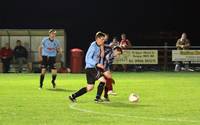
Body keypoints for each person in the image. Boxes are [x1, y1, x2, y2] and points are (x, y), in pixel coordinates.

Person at [69, 31, 106, 103]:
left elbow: (101, 56)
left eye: (104, 39)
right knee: (103, 80)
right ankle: (97, 98)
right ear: (97, 39)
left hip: (90, 68)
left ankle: (73, 96)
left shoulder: (99, 46)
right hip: (91, 68)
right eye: (102, 39)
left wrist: (102, 49)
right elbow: (87, 58)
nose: (103, 40)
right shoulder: (93, 46)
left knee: (90, 87)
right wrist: (97, 64)